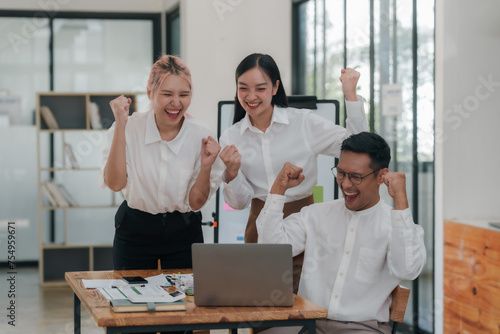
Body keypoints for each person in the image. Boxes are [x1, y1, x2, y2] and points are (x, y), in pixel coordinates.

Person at [219, 53, 368, 292]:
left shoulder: (303, 123)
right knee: (260, 311)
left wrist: (351, 96)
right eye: (243, 88)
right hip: (258, 229)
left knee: (306, 306)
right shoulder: (231, 137)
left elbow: (358, 147)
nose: (251, 96)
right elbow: (238, 203)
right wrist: (232, 174)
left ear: (276, 86)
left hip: (304, 222)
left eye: (260, 88)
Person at [256, 132, 426, 334]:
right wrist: (278, 189)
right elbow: (270, 248)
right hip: (306, 323)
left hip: (362, 328)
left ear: (381, 176)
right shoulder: (316, 214)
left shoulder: (397, 224)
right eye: (341, 173)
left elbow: (406, 270)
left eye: (356, 176)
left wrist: (400, 201)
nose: (345, 184)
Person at [99, 54, 224, 272]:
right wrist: (120, 124)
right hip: (135, 228)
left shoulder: (202, 136)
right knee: (131, 297)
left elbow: (196, 203)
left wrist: (206, 166)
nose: (176, 102)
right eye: (167, 94)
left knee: (186, 301)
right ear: (150, 92)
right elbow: (115, 184)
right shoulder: (129, 128)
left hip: (184, 230)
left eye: (184, 95)